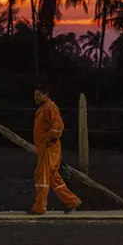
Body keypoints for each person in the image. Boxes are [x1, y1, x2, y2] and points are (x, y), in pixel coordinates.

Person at [29, 85, 81, 215]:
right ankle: (72, 201)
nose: (36, 97)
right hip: (46, 148)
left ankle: (39, 208)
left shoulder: (50, 107)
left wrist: (49, 138)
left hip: (48, 148)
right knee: (53, 177)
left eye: (39, 95)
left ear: (46, 95)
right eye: (35, 95)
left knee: (42, 177)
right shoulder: (42, 108)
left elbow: (58, 125)